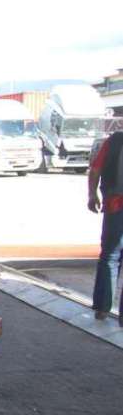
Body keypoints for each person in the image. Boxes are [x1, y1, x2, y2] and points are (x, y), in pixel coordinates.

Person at [89, 131, 123, 322]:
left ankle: (102, 308)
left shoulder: (114, 141)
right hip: (115, 206)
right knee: (110, 257)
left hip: (114, 206)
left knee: (110, 257)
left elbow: (95, 169)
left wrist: (92, 194)